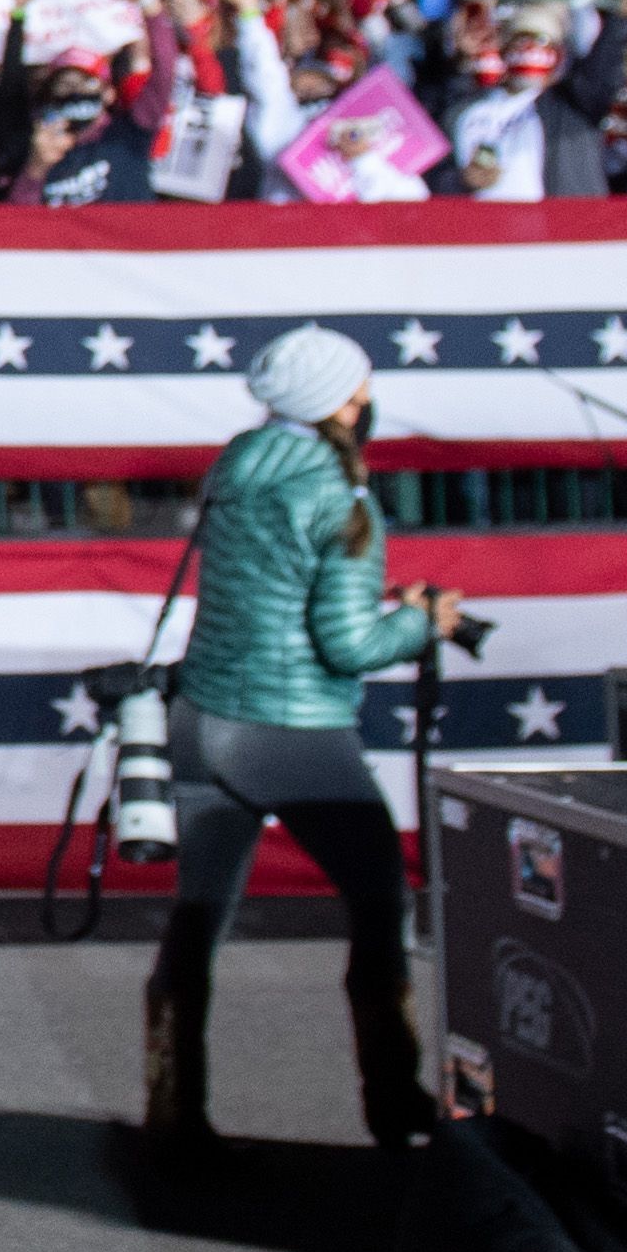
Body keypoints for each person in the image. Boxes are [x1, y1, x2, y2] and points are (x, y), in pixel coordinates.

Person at [152, 325, 463, 1166]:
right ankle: (394, 1106)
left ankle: (172, 1108)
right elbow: (349, 647)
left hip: (202, 717)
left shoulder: (235, 464)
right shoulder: (342, 496)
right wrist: (419, 621)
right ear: (343, 400)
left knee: (199, 916)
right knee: (377, 906)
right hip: (292, 731)